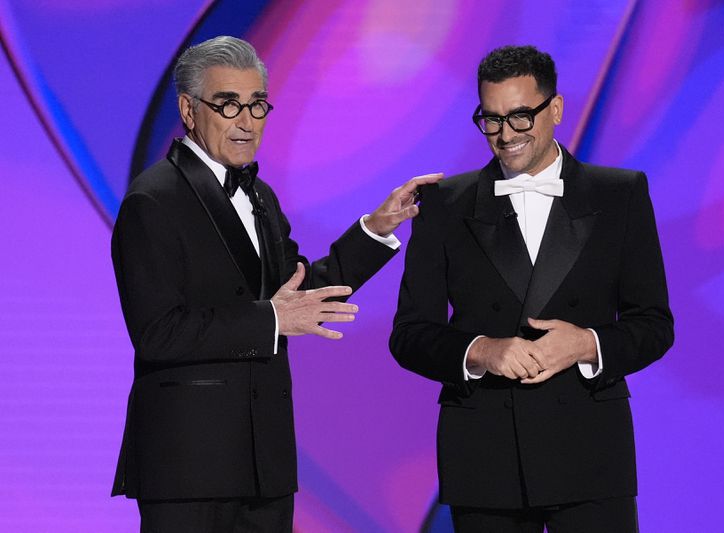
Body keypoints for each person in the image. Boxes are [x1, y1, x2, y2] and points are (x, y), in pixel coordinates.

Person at [110, 35, 440, 532]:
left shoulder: (260, 195)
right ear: (189, 110)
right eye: (228, 105)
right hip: (188, 467)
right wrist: (272, 319)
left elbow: (301, 292)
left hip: (265, 464)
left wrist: (375, 229)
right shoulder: (152, 201)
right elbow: (159, 332)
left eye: (257, 104)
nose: (246, 121)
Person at [390, 45, 673, 532]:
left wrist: (588, 344)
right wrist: (481, 351)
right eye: (491, 119)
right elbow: (410, 334)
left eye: (520, 117)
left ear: (555, 109)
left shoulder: (620, 194)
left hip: (590, 454)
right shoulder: (444, 204)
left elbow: (654, 324)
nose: (505, 135)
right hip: (485, 457)